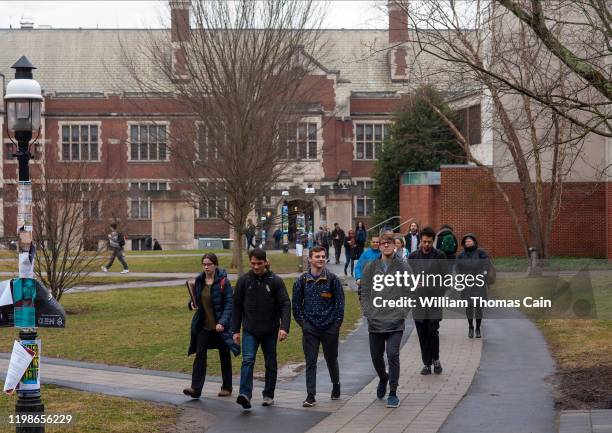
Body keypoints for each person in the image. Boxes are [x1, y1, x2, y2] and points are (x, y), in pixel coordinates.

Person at [232, 248, 291, 410]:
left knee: (270, 363)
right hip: (250, 329)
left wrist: (284, 327)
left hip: (270, 330)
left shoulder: (275, 281)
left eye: (259, 263)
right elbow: (236, 306)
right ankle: (245, 394)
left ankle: (268, 394)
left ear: (265, 262)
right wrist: (235, 330)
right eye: (253, 263)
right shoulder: (244, 281)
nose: (256, 266)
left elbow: (285, 304)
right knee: (248, 360)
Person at [359, 233, 412, 408]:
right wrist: (368, 311)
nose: (386, 245)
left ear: (394, 246)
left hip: (396, 320)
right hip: (375, 320)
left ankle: (393, 391)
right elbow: (364, 291)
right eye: (383, 243)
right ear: (379, 246)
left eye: (389, 243)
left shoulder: (403, 267)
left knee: (392, 355)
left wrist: (403, 311)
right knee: (376, 356)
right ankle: (383, 377)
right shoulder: (370, 267)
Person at [293, 246, 344, 407]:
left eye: (323, 256)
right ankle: (310, 395)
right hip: (310, 329)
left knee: (331, 359)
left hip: (329, 328)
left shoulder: (333, 279)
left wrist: (336, 324)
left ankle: (336, 385)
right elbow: (296, 305)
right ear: (310, 259)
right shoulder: (301, 281)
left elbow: (340, 304)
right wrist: (304, 323)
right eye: (317, 256)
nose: (321, 259)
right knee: (311, 361)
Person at [183, 253, 240, 399]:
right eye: (204, 264)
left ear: (215, 265)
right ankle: (195, 389)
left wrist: (222, 322)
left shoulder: (223, 282)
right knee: (200, 355)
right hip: (204, 325)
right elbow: (195, 299)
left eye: (209, 264)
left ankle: (226, 387)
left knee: (224, 354)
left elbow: (229, 305)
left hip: (220, 326)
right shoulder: (199, 280)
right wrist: (191, 304)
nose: (206, 267)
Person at [408, 226, 448, 376]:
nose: (426, 245)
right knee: (422, 333)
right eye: (424, 242)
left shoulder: (440, 256)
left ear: (433, 241)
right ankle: (426, 363)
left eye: (429, 242)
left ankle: (436, 358)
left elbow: (446, 279)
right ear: (420, 240)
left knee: (432, 331)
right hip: (418, 301)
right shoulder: (412, 257)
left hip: (434, 300)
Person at [456, 234, 492, 339]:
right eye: (466, 241)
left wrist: (483, 274)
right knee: (469, 307)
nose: (468, 243)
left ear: (474, 242)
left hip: (478, 283)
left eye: (470, 241)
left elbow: (487, 264)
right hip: (466, 283)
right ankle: (471, 326)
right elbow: (457, 268)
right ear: (464, 243)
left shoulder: (481, 253)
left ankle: (478, 328)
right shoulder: (461, 255)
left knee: (478, 307)